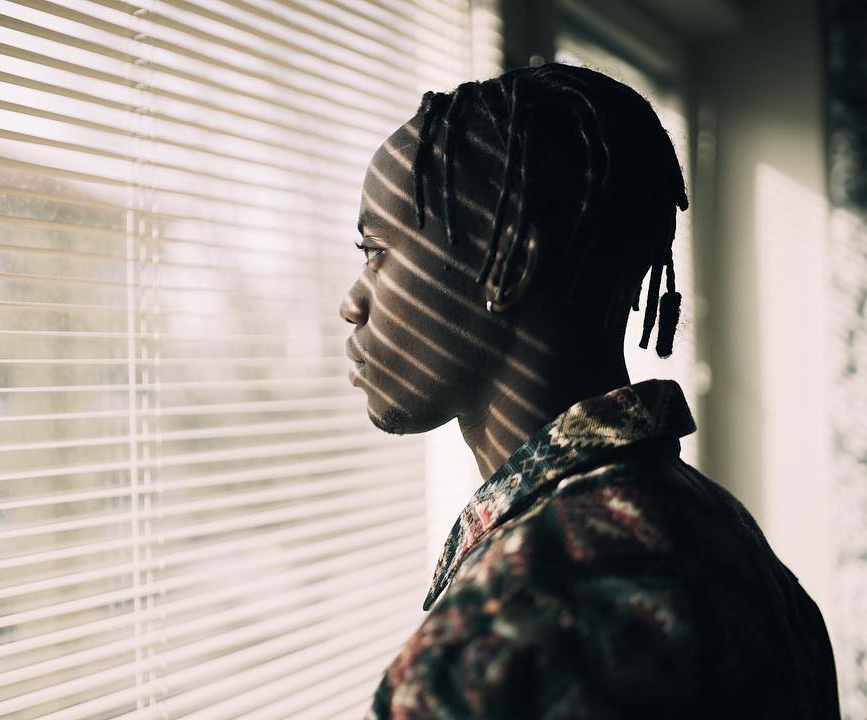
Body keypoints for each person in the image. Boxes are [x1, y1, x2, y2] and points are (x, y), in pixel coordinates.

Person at [339, 63, 840, 719]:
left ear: (510, 260)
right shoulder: (732, 545)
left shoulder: (494, 648)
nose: (353, 302)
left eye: (377, 250)